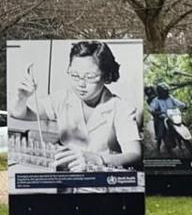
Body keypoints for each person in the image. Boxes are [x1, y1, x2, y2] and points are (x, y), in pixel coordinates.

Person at [11, 40, 141, 172]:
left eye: (90, 77)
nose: (81, 84)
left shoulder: (121, 108)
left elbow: (134, 155)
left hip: (101, 179)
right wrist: (21, 98)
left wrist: (97, 159)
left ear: (107, 76)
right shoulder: (63, 98)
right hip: (66, 176)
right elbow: (19, 113)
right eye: (75, 75)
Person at [148, 83, 190, 155]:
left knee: (183, 124)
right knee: (161, 131)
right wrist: (155, 111)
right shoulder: (156, 100)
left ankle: (185, 139)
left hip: (174, 116)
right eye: (164, 91)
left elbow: (178, 103)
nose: (165, 93)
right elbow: (152, 108)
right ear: (160, 92)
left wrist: (184, 105)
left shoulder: (170, 98)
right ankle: (159, 146)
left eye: (166, 91)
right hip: (163, 118)